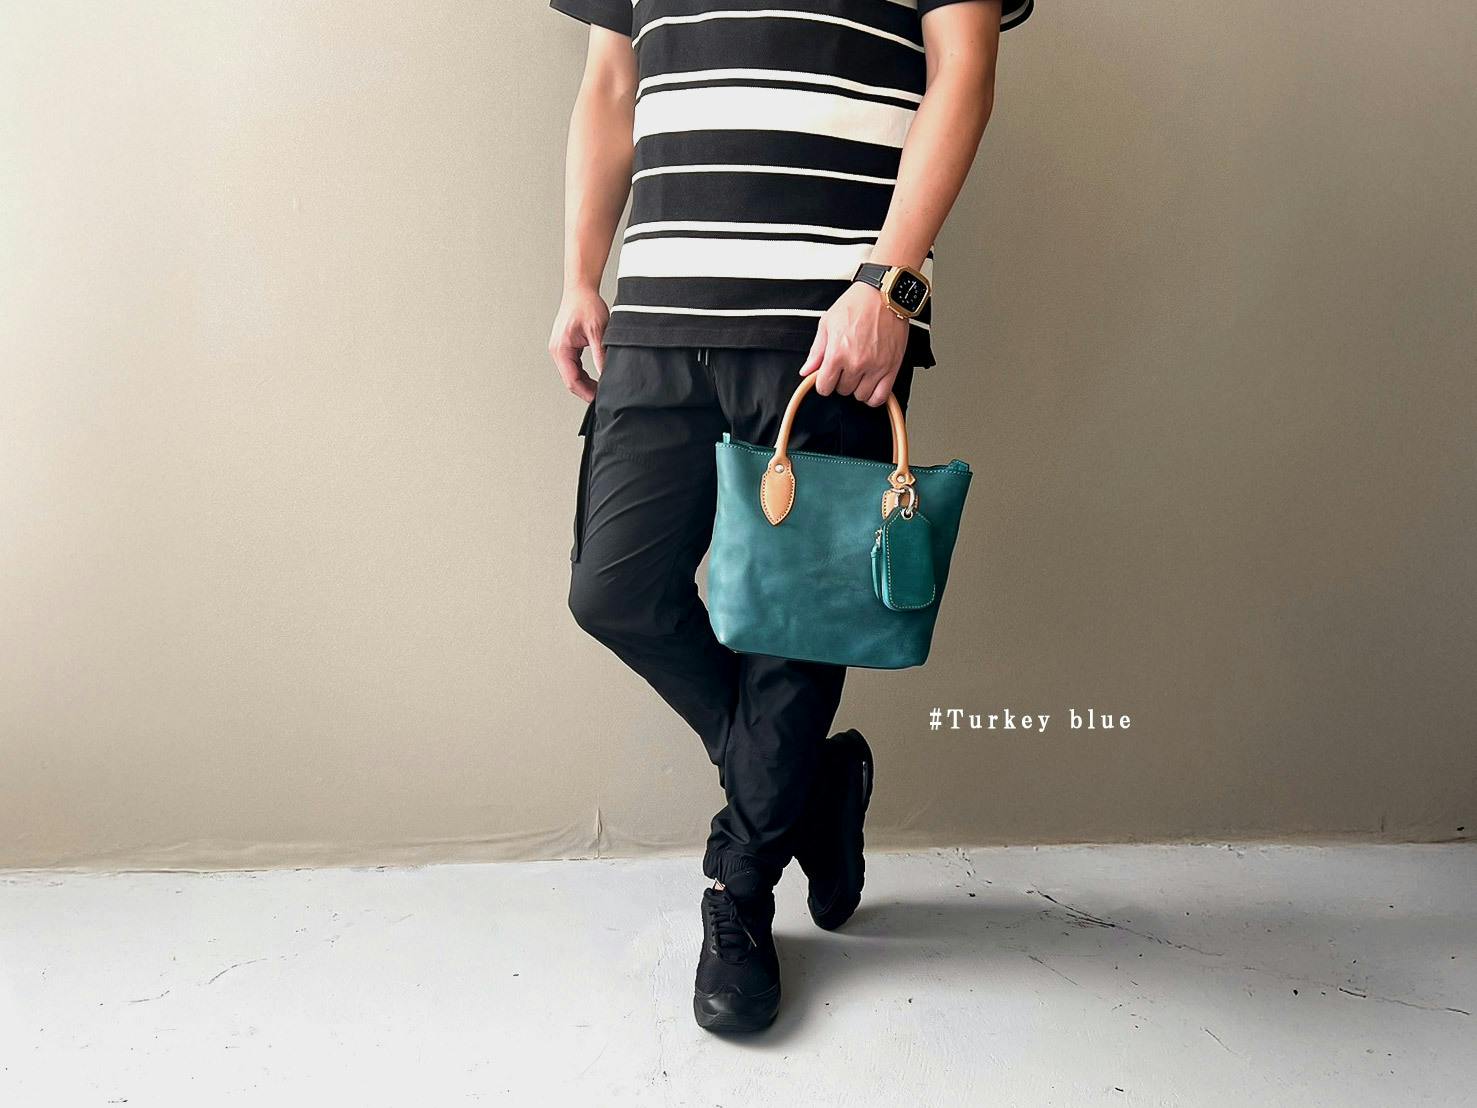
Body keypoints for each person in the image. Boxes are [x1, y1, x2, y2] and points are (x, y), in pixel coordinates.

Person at [548, 0, 1029, 1033]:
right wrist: (581, 273)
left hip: (829, 319)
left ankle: (740, 890)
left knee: (792, 632)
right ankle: (811, 783)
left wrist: (889, 285)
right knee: (613, 590)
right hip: (658, 307)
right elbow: (610, 85)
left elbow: (962, 67)